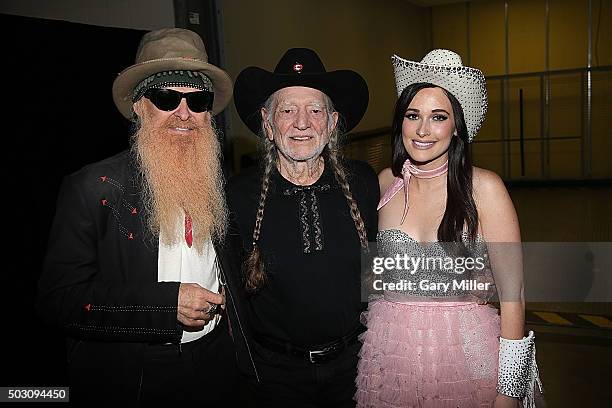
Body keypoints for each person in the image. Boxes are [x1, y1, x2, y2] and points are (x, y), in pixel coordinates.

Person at [37, 28, 257, 404]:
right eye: (166, 97)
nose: (183, 114)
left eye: (198, 100)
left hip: (218, 364)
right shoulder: (93, 187)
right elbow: (59, 300)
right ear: (140, 106)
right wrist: (164, 305)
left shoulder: (218, 182)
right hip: (138, 375)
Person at [355, 50, 543, 407]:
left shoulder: (485, 188)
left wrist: (510, 390)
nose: (423, 130)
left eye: (438, 117)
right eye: (413, 116)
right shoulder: (384, 183)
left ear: (457, 126)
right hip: (392, 358)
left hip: (467, 360)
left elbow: (513, 295)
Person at [229, 48, 379, 407]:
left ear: (332, 122)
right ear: (267, 122)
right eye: (287, 110)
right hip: (274, 377)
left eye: (315, 110)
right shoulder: (236, 196)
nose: (301, 123)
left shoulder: (364, 183)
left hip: (354, 370)